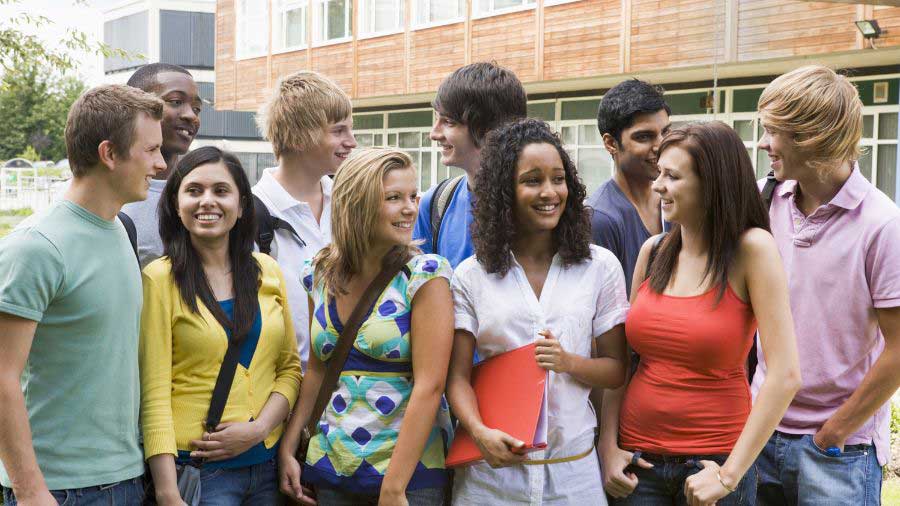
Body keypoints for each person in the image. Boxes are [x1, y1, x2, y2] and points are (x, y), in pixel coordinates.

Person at [599, 122, 801, 506]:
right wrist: (608, 446)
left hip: (713, 463)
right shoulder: (654, 251)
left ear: (713, 184)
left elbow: (785, 374)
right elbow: (623, 362)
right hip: (638, 465)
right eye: (659, 172)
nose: (657, 185)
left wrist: (729, 477)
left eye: (671, 176)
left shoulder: (752, 250)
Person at [446, 118, 630, 505]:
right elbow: (457, 378)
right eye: (532, 180)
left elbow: (617, 369)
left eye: (558, 178)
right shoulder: (472, 276)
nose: (550, 192)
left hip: (573, 478)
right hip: (492, 480)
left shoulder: (600, 267)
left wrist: (568, 363)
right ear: (504, 192)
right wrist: (479, 432)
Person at [0, 84, 166, 505]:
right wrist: (31, 490)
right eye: (150, 151)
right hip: (59, 490)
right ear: (110, 154)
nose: (161, 164)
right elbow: (1, 376)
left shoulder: (119, 231)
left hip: (128, 478)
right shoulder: (36, 246)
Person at [752, 65, 900, 505]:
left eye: (773, 132)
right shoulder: (763, 199)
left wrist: (832, 433)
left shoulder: (882, 224)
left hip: (838, 452)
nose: (763, 143)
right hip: (760, 430)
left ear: (811, 136)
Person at [279, 148, 454, 506]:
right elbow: (317, 370)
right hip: (329, 467)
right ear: (356, 203)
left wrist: (394, 487)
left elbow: (430, 386)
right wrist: (288, 448)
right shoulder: (320, 272)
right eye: (393, 198)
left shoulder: (424, 275)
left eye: (412, 196)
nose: (409, 208)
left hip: (408, 477)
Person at [140, 146, 302, 505]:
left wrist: (259, 430)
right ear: (175, 204)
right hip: (198, 471)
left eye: (221, 191)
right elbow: (153, 392)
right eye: (194, 191)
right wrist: (168, 492)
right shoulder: (159, 279)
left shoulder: (267, 270)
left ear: (242, 205)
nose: (207, 201)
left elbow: (289, 369)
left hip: (265, 467)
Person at [253, 70, 357, 371]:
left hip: (351, 394)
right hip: (279, 391)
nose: (351, 141)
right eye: (338, 131)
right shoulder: (251, 212)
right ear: (300, 135)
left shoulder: (351, 202)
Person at [413, 62, 527, 268]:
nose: (434, 134)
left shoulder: (539, 204)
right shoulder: (436, 203)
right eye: (437, 119)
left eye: (448, 122)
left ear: (490, 129)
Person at [587, 79, 671, 294]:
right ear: (611, 143)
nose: (660, 145)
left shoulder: (675, 201)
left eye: (665, 132)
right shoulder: (600, 218)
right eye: (644, 137)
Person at [120, 63, 202, 267]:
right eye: (175, 101)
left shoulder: (207, 193)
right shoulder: (108, 195)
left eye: (197, 108)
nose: (191, 115)